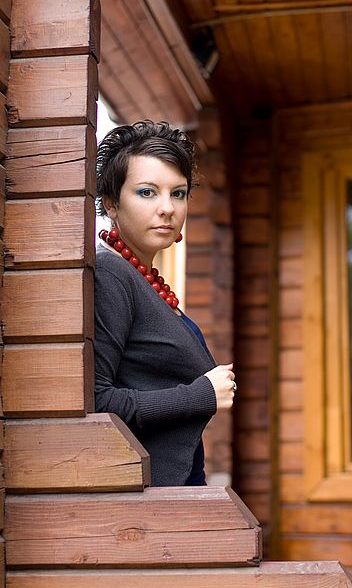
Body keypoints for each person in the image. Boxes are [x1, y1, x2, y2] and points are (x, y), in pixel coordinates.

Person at [94, 120, 236, 487]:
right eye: (147, 192)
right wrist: (200, 395)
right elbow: (97, 402)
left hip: (178, 485)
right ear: (111, 203)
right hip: (147, 498)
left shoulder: (142, 278)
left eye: (178, 193)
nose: (167, 208)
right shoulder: (110, 273)